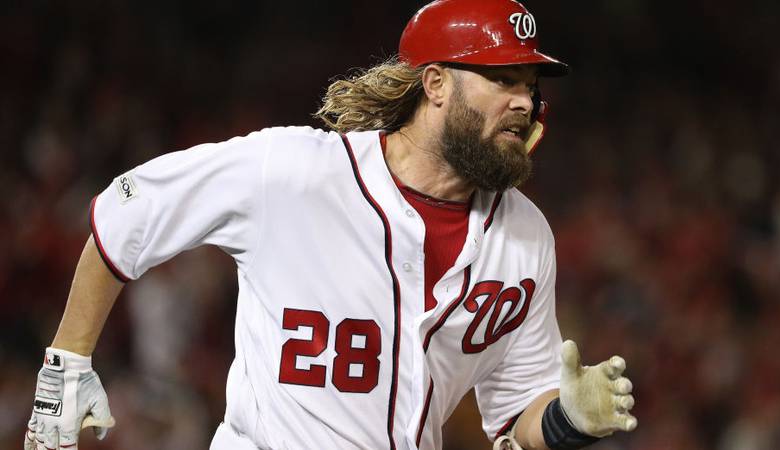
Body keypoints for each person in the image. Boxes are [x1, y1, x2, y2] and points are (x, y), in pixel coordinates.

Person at [25, 0, 637, 449]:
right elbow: (129, 207)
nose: (524, 102)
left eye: (529, 86)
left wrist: (567, 420)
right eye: (502, 79)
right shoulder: (296, 172)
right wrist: (66, 364)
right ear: (436, 84)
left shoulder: (526, 237)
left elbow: (514, 418)